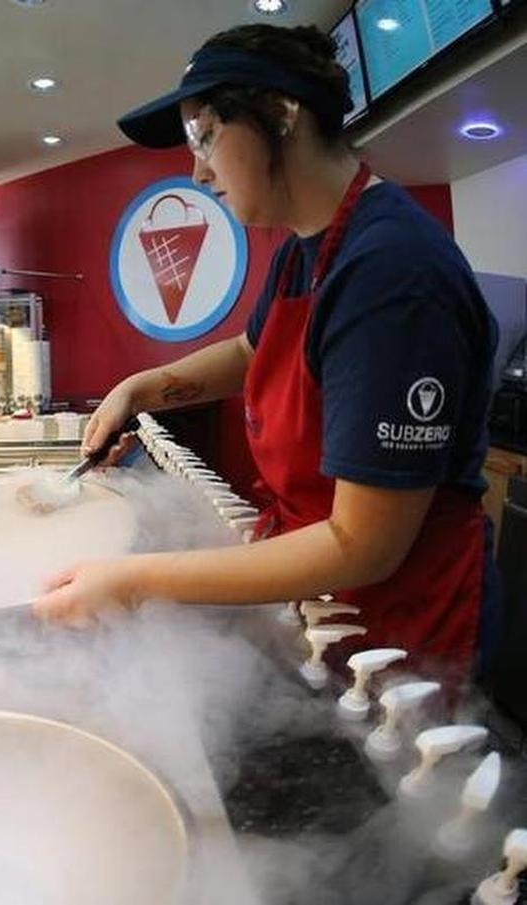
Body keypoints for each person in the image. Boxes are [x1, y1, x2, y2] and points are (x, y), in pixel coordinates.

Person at [33, 24, 499, 683]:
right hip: (325, 594)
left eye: (205, 137)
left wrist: (134, 581)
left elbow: (363, 544)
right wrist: (138, 388)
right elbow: (253, 351)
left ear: (282, 112)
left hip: (403, 629)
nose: (197, 171)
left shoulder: (393, 273)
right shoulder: (302, 250)